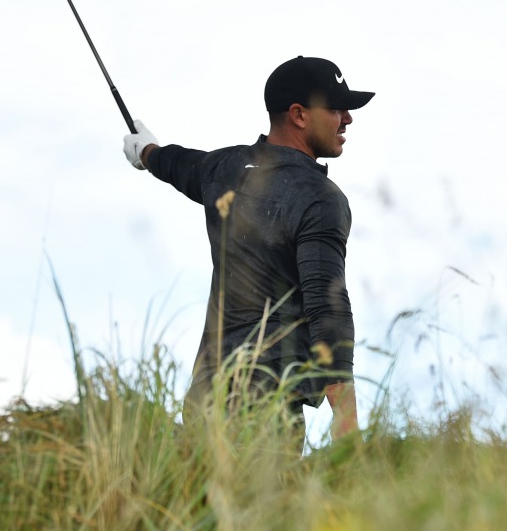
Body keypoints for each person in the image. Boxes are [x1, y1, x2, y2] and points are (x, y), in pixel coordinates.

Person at [121, 55, 373, 439]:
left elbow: (174, 163)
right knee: (258, 499)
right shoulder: (321, 198)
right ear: (299, 115)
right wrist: (346, 424)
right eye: (337, 109)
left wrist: (146, 151)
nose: (348, 119)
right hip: (268, 412)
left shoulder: (222, 168)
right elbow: (328, 309)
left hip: (207, 398)